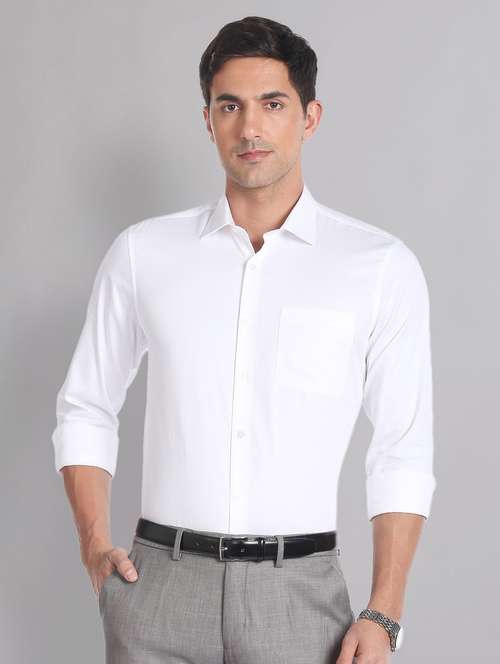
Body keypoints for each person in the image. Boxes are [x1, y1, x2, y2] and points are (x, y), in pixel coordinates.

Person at [52, 15, 437, 664]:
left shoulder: (378, 267)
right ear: (208, 121)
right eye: (229, 106)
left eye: (273, 104)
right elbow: (85, 405)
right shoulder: (144, 253)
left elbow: (402, 449)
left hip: (301, 597)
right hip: (158, 589)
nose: (250, 128)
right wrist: (94, 546)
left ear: (310, 117)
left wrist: (385, 608)